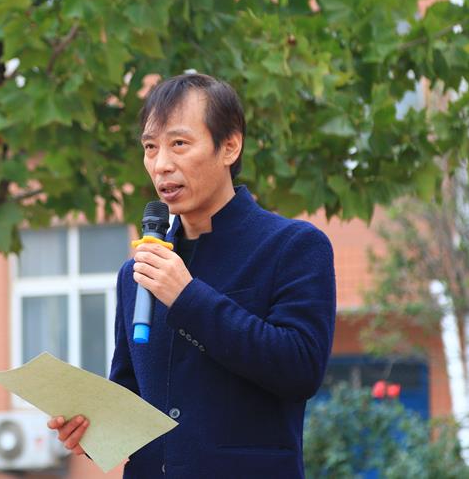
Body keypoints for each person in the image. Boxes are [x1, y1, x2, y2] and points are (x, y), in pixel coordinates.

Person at [48, 73, 336, 478]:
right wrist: (93, 430)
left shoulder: (293, 246)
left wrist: (187, 297)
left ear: (230, 146)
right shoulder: (137, 273)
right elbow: (132, 398)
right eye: (151, 147)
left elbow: (300, 370)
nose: (161, 164)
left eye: (179, 144)